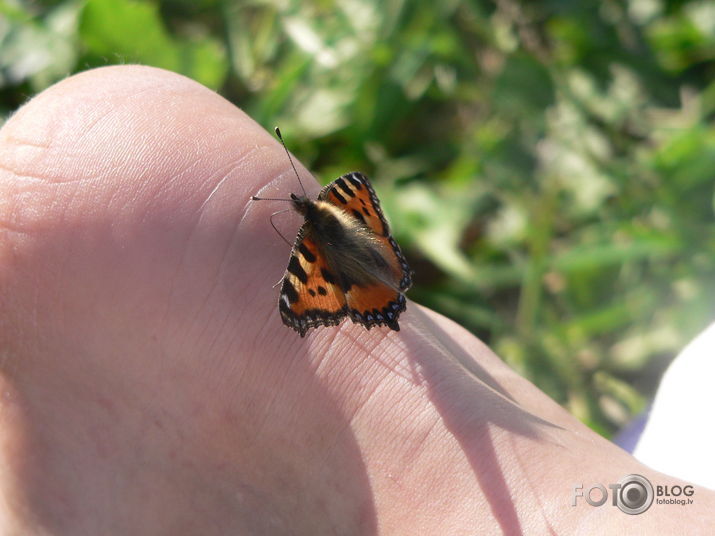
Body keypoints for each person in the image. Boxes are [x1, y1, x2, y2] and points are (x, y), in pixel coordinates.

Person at [0, 66, 712, 534]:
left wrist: (307, 286)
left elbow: (303, 291)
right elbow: (347, 208)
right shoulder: (337, 208)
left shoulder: (309, 251)